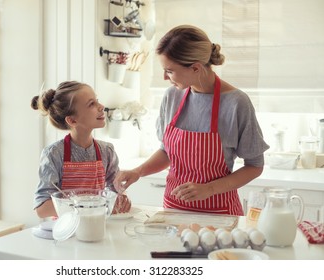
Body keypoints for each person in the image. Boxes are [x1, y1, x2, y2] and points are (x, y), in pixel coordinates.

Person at [114, 25, 269, 215]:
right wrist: (138, 172)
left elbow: (254, 166)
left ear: (195, 67)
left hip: (219, 215)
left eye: (169, 71)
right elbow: (168, 152)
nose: (164, 77)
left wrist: (209, 189)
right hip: (173, 210)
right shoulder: (173, 95)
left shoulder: (236, 103)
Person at [31, 81, 131, 218]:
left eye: (97, 101)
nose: (101, 107)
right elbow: (42, 208)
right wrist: (90, 207)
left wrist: (122, 198)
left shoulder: (107, 151)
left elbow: (115, 191)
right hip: (67, 232)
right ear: (72, 120)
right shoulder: (54, 154)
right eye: (91, 104)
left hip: (97, 227)